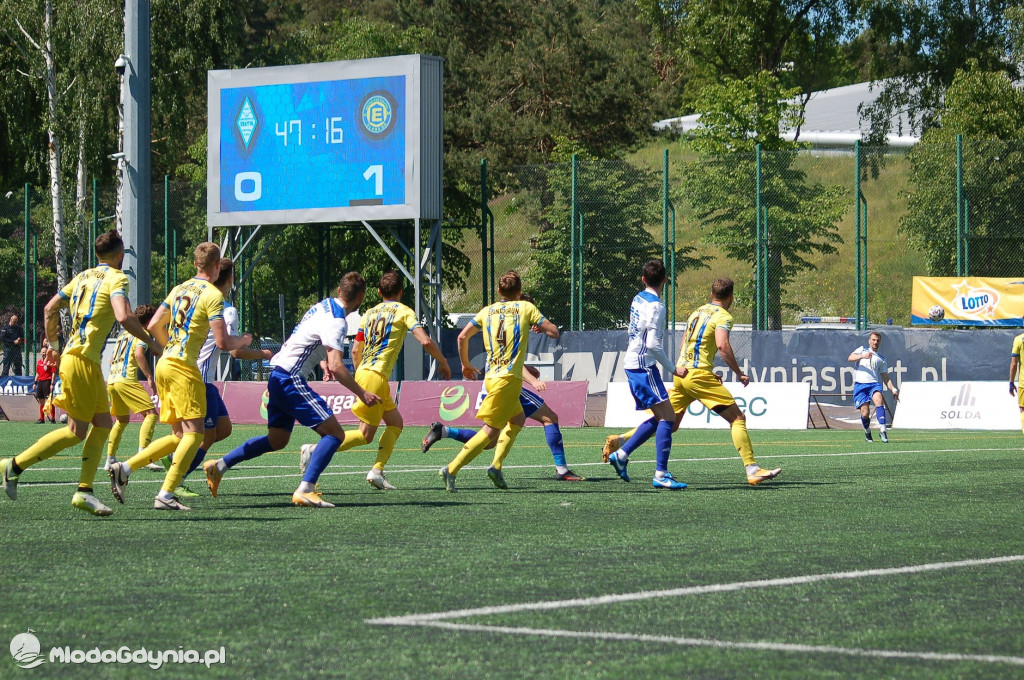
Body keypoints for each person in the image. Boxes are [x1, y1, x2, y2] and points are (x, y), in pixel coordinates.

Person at [0, 229, 162, 516]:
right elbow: (124, 316)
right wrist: (151, 342)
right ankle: (13, 466)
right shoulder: (117, 278)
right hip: (83, 360)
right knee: (76, 431)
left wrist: (55, 344)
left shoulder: (83, 276)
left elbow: (50, 307)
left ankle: (84, 491)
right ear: (120, 255)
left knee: (102, 424)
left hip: (81, 359)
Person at [204, 272, 381, 508]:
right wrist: (362, 392)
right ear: (361, 297)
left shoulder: (322, 306)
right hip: (290, 378)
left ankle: (219, 467)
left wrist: (322, 361)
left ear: (339, 291)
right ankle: (306, 489)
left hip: (278, 373)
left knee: (277, 439)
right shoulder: (338, 320)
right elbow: (339, 367)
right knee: (335, 434)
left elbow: (308, 338)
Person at [108, 243, 250, 511]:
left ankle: (125, 468)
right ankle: (166, 494)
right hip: (184, 368)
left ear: (196, 264)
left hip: (165, 364)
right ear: (217, 266)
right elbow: (222, 342)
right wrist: (243, 338)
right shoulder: (213, 295)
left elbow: (152, 326)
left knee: (178, 436)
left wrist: (166, 350)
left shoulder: (179, 288)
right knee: (195, 435)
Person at [299, 271, 451, 490]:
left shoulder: (369, 313)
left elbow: (355, 350)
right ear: (401, 292)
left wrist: (362, 376)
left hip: (367, 373)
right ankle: (313, 450)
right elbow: (425, 341)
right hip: (376, 376)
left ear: (379, 292)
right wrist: (443, 362)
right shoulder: (404, 311)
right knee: (364, 435)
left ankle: (377, 471)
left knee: (396, 424)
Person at [422, 294, 583, 482]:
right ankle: (561, 469)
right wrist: (533, 380)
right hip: (506, 383)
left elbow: (507, 357)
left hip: (492, 381)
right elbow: (514, 361)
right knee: (549, 418)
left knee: (493, 438)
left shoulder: (496, 318)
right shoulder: (517, 323)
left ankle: (446, 433)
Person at [438, 270, 559, 492]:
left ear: (498, 291)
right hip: (507, 380)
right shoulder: (526, 307)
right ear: (520, 292)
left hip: (492, 376)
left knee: (518, 419)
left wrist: (465, 365)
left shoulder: (487, 311)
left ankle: (496, 466)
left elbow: (462, 336)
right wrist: (541, 327)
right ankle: (451, 469)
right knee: (490, 433)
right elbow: (553, 331)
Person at [169, 257, 273, 497]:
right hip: (200, 377)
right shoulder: (225, 308)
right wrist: (262, 353)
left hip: (192, 373)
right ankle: (176, 477)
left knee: (223, 429)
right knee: (202, 436)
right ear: (230, 279)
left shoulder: (197, 299)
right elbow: (234, 350)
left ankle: (178, 462)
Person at [669, 277, 781, 485]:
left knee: (667, 423)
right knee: (737, 418)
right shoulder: (724, 316)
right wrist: (738, 373)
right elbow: (722, 345)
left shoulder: (697, 312)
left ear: (711, 294)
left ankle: (620, 442)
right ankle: (752, 469)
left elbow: (685, 341)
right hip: (698, 375)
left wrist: (685, 368)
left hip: (681, 372)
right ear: (731, 297)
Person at [604, 259, 690, 489]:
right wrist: (674, 369)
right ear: (665, 280)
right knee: (669, 418)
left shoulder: (638, 298)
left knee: (662, 417)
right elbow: (652, 344)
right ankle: (661, 475)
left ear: (643, 279)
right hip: (643, 365)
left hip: (634, 362)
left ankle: (621, 455)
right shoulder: (657, 306)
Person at [103, 304, 161, 471]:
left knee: (121, 420)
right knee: (151, 414)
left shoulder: (123, 335)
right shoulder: (141, 334)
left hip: (112, 380)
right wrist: (150, 377)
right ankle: (143, 457)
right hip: (126, 379)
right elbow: (138, 354)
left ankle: (110, 459)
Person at [848, 331, 899, 443]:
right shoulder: (862, 350)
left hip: (873, 385)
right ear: (869, 341)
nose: (875, 342)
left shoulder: (881, 359)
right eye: (873, 340)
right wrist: (862, 356)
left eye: (878, 340)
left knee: (879, 401)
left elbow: (885, 377)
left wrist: (893, 389)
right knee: (865, 413)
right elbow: (850, 358)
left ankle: (883, 431)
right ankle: (867, 432)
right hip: (860, 385)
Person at [32, 339, 56, 423]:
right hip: (40, 382)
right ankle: (42, 419)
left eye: (45, 352)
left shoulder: (50, 362)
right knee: (41, 400)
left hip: (47, 381)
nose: (43, 353)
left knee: (49, 400)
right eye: (42, 352)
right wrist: (35, 382)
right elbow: (37, 373)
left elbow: (53, 373)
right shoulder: (39, 362)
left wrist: (52, 383)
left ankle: (53, 418)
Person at [1008, 318, 1024, 442]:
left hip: (1023, 383)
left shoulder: (1019, 339)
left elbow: (1014, 364)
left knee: (1023, 410)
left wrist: (1011, 382)